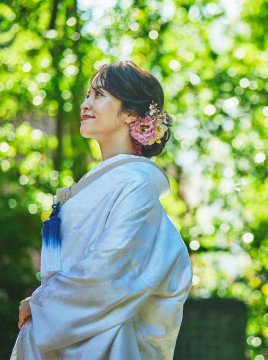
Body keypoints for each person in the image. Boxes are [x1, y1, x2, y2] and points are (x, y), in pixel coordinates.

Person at [10, 60, 193, 359]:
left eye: (99, 95)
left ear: (131, 114)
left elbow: (113, 265)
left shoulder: (137, 183)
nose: (85, 104)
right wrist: (44, 299)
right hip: (68, 334)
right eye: (87, 95)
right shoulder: (99, 182)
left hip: (107, 341)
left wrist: (44, 303)